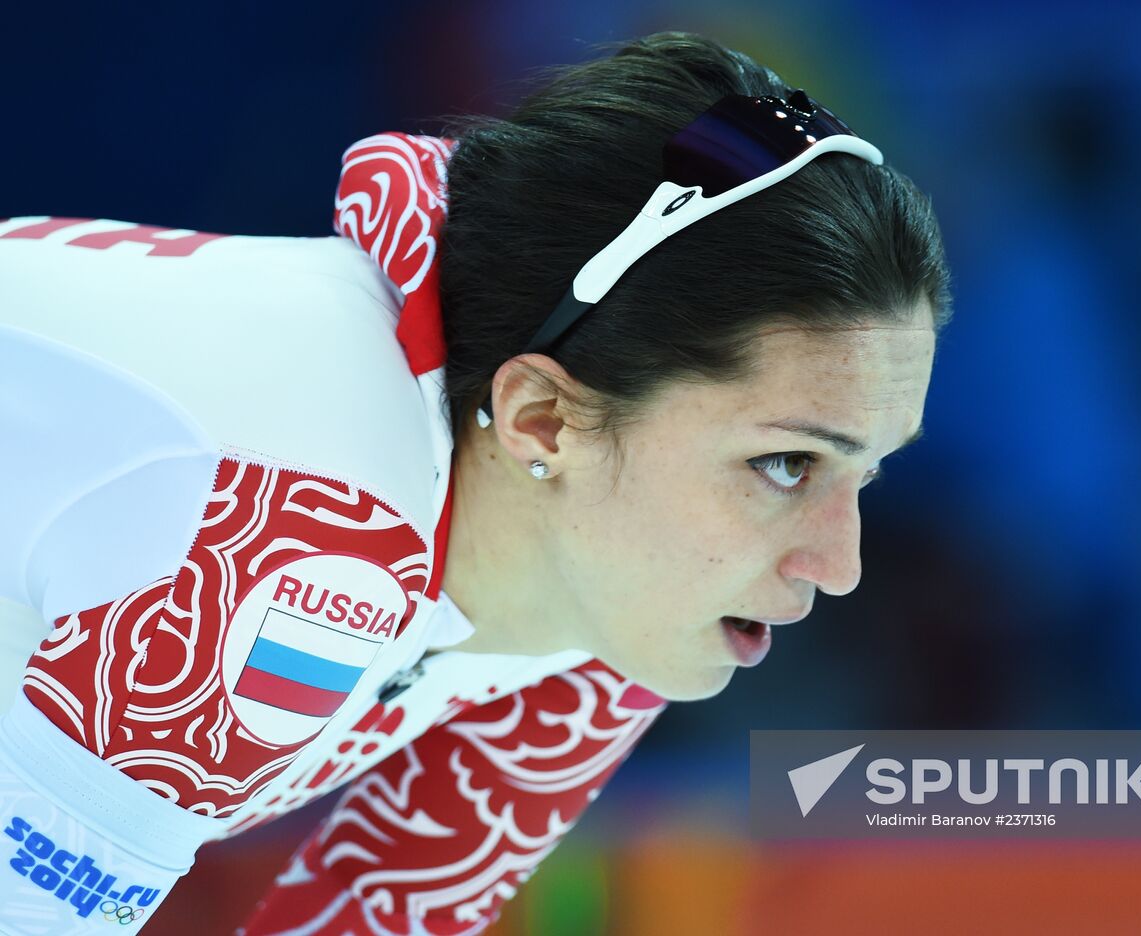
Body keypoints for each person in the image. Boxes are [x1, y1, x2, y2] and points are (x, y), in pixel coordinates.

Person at [0, 30, 949, 934]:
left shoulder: (605, 584)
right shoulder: (303, 530)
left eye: (868, 473)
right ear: (542, 418)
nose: (840, 564)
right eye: (785, 463)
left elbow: (371, 915)